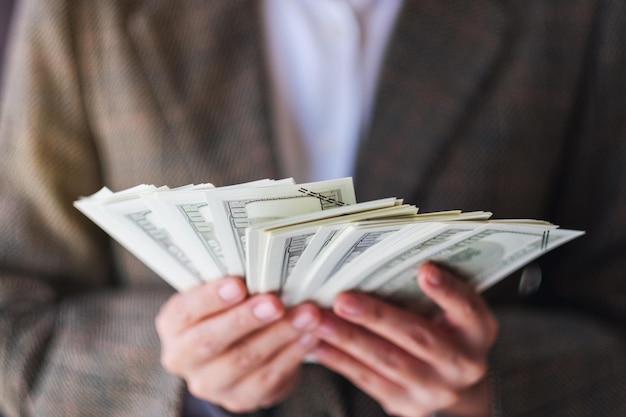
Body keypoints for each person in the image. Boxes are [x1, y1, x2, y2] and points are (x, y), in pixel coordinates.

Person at [0, 1, 624, 417]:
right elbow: (12, 316)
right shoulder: (85, 13)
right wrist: (177, 379)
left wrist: (489, 384)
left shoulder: (576, 15)